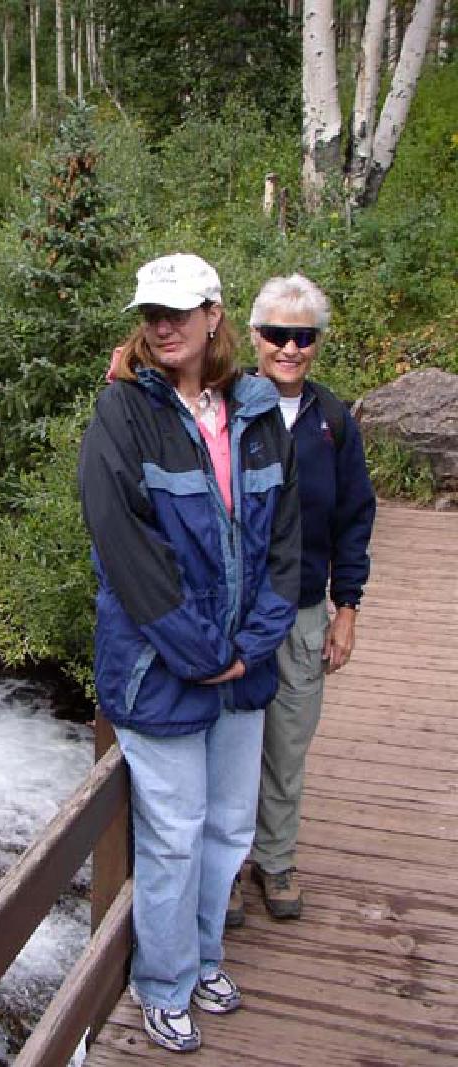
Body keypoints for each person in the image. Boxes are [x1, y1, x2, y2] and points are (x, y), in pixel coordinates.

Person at [77, 253, 300, 1054]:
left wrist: (251, 644)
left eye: (177, 311)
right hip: (161, 671)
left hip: (242, 670)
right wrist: (204, 651)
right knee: (172, 833)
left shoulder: (256, 410)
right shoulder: (123, 415)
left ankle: (206, 955)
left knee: (229, 828)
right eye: (150, 312)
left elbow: (286, 541)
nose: (161, 325)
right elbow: (126, 551)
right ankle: (163, 983)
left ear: (214, 315)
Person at [227, 273, 376, 926]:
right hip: (234, 610)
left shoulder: (333, 421)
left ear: (316, 341)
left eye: (303, 335)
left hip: (303, 609)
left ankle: (276, 858)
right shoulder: (223, 405)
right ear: (253, 335)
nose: (290, 347)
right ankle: (227, 865)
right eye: (277, 333)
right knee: (230, 743)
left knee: (288, 742)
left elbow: (355, 516)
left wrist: (348, 606)